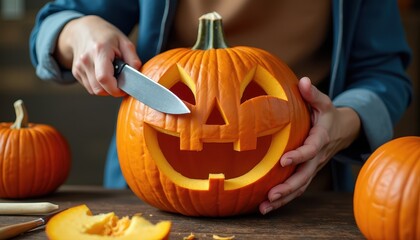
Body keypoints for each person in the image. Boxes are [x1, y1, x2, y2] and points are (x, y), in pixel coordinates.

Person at [29, 0, 412, 215]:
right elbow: (55, 22)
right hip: (148, 202)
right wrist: (77, 32)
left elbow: (383, 72)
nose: (218, 123)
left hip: (305, 192)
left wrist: (343, 123)